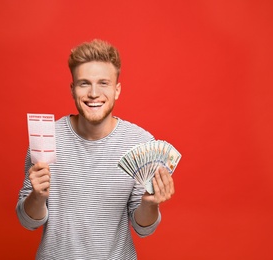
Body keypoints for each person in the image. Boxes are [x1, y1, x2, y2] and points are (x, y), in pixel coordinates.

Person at [16, 39, 175, 259]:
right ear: (72, 89)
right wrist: (38, 196)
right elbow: (27, 221)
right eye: (84, 83)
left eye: (103, 83)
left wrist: (150, 204)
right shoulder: (47, 137)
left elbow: (144, 228)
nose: (93, 93)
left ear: (116, 90)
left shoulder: (140, 143)